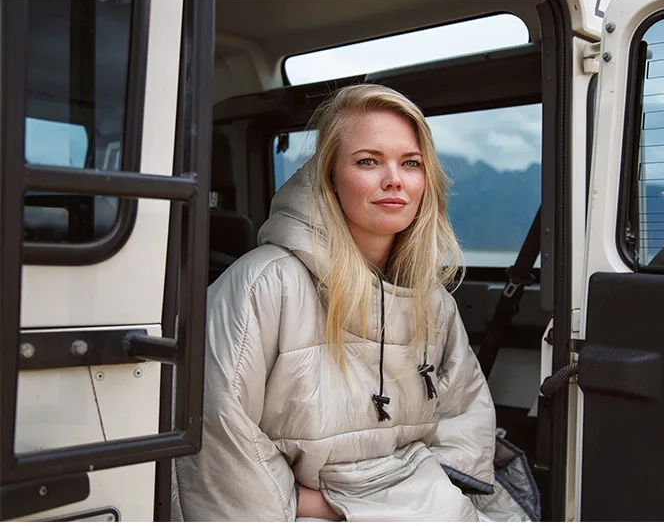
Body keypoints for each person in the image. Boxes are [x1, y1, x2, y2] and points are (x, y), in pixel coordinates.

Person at [172, 84, 531, 521]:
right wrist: (312, 505)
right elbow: (216, 433)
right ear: (329, 178)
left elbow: (463, 414)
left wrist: (425, 494)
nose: (394, 179)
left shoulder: (433, 300)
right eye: (368, 161)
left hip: (423, 500)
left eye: (411, 163)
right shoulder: (264, 284)